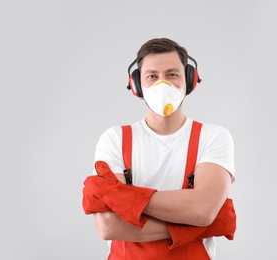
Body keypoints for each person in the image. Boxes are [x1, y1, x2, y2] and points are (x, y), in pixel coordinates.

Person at [82, 38, 236, 260]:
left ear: (190, 80)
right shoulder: (114, 139)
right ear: (137, 85)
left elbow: (203, 210)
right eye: (152, 76)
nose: (162, 84)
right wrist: (194, 224)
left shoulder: (212, 137)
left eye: (172, 74)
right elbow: (108, 226)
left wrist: (124, 197)